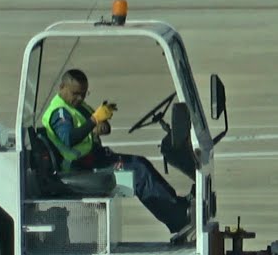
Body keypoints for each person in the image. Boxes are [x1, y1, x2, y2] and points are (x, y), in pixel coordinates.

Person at [42, 69, 195, 244]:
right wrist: (93, 121)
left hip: (94, 159)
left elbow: (96, 127)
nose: (79, 98)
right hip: (79, 168)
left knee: (140, 163)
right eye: (75, 94)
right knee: (138, 173)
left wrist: (101, 125)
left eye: (83, 94)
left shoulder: (78, 107)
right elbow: (69, 138)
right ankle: (178, 218)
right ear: (62, 87)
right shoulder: (59, 112)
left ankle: (176, 207)